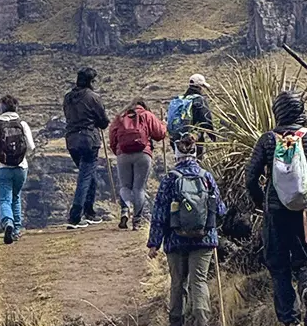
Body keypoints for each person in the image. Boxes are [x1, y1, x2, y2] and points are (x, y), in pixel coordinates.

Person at [244, 91, 307, 326]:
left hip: (275, 212)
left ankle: (291, 323)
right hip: (306, 211)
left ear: (278, 112)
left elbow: (250, 177)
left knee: (279, 266)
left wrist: (260, 201)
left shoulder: (267, 140)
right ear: (300, 111)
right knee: (306, 260)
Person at [148, 133, 227, 326]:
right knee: (198, 281)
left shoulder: (170, 179)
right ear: (195, 152)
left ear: (176, 153)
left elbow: (159, 213)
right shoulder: (206, 176)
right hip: (204, 239)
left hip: (175, 240)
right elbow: (219, 209)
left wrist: (154, 244)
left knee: (178, 283)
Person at [0, 94, 37, 244]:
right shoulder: (22, 124)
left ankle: (8, 223)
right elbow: (32, 147)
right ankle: (16, 230)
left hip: (2, 168)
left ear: (1, 108)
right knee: (16, 197)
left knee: (4, 199)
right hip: (21, 167)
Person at [109, 98, 167, 230]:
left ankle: (125, 211)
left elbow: (112, 138)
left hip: (123, 155)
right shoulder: (146, 115)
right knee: (139, 188)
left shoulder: (120, 117)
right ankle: (137, 221)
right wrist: (164, 124)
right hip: (143, 154)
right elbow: (160, 134)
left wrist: (118, 152)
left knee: (125, 186)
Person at [63, 67, 109, 229]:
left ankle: (89, 212)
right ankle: (75, 216)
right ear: (90, 81)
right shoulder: (93, 97)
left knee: (89, 175)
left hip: (71, 140)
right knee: (84, 177)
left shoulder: (68, 97)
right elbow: (104, 122)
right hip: (89, 140)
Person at [166, 73, 216, 157]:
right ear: (200, 87)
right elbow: (206, 120)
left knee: (180, 164)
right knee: (195, 165)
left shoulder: (179, 100)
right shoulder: (199, 100)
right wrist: (213, 137)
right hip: (193, 140)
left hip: (177, 141)